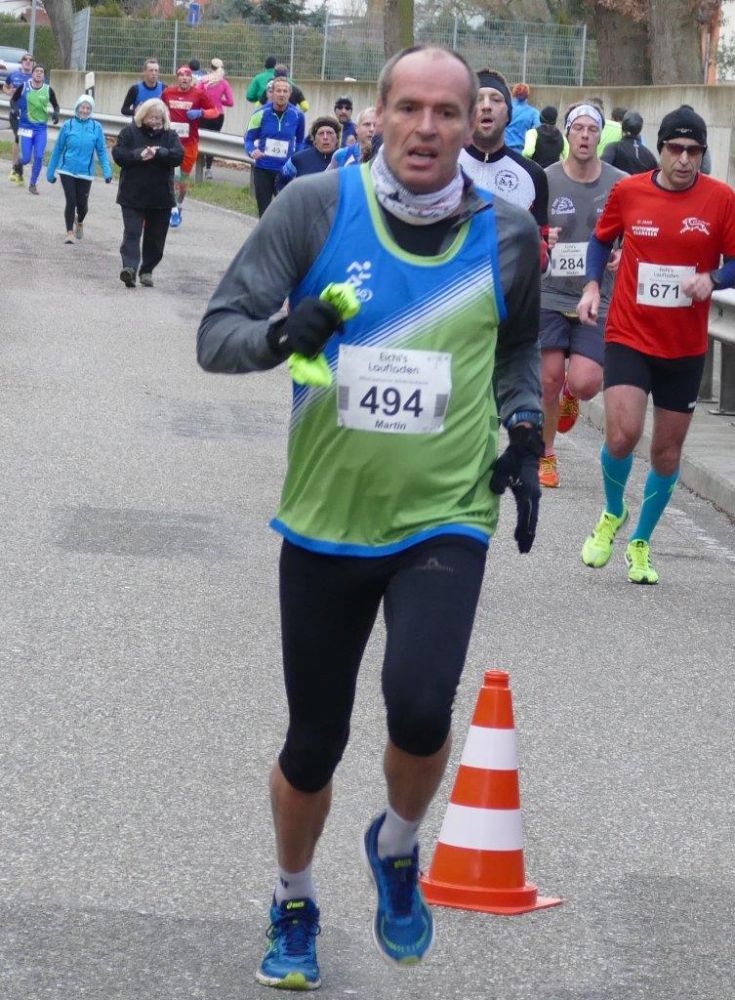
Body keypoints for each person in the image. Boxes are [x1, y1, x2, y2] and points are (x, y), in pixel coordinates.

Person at [197, 44, 543, 991]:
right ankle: (293, 897)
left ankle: (395, 844)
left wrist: (523, 427)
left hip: (445, 515)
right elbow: (217, 336)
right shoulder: (314, 207)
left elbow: (516, 350)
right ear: (377, 115)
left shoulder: (509, 233)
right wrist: (282, 334)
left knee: (422, 705)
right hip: (324, 518)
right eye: (409, 109)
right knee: (314, 743)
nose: (426, 128)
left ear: (476, 124)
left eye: (446, 111)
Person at [577, 105, 735, 584]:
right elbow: (601, 240)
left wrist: (713, 278)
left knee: (667, 453)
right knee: (622, 436)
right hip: (629, 333)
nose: (684, 159)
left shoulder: (721, 199)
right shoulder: (629, 191)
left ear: (702, 154)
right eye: (676, 149)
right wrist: (592, 285)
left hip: (684, 346)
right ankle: (612, 511)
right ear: (660, 149)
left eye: (694, 151)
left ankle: (641, 542)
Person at [538, 102, 626, 489]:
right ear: (567, 134)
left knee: (587, 381)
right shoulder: (545, 179)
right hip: (551, 293)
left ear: (600, 136)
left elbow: (638, 229)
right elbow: (528, 227)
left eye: (592, 129)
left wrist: (625, 252)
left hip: (598, 296)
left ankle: (572, 393)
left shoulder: (621, 183)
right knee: (548, 379)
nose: (585, 135)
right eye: (579, 128)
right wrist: (543, 236)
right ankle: (546, 454)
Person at [458, 69, 549, 235]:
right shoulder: (445, 167)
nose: (486, 106)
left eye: (496, 99)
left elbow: (541, 243)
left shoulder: (534, 175)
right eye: (478, 99)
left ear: (508, 114)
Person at [111, 98, 184, 288]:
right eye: (152, 117)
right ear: (142, 116)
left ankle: (147, 270)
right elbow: (118, 155)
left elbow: (178, 156)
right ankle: (129, 269)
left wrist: (161, 152)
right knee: (132, 233)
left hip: (161, 197)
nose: (155, 121)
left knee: (156, 238)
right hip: (132, 194)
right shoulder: (129, 133)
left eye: (159, 118)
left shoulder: (170, 135)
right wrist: (138, 155)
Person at [46, 94, 113, 244]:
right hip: (67, 170)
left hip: (85, 173)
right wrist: (50, 171)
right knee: (71, 201)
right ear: (77, 108)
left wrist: (107, 171)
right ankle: (69, 232)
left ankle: (80, 221)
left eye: (88, 108)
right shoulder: (68, 125)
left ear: (91, 110)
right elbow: (58, 149)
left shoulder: (96, 127)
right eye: (82, 107)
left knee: (83, 206)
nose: (85, 110)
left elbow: (102, 152)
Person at [161, 65, 217, 227]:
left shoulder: (198, 94)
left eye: (187, 76)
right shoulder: (168, 93)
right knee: (172, 177)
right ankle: (172, 210)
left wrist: (201, 113)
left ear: (191, 79)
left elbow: (214, 111)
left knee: (182, 180)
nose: (184, 78)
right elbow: (158, 108)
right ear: (177, 78)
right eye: (181, 75)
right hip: (171, 142)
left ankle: (179, 205)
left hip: (189, 144)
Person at [245, 77, 304, 217]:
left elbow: (300, 141)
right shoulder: (259, 113)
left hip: (285, 172)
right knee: (264, 213)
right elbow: (248, 138)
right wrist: (252, 150)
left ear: (290, 94)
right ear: (272, 92)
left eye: (285, 91)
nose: (282, 94)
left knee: (285, 214)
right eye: (278, 91)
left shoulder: (298, 115)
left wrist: (296, 160)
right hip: (263, 170)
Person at [11, 63, 60, 195]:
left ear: (44, 76)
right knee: (26, 158)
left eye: (41, 72)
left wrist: (56, 114)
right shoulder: (24, 86)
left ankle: (33, 184)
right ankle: (18, 164)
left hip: (40, 129)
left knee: (38, 156)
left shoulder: (48, 90)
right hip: (26, 127)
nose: (38, 73)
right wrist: (15, 110)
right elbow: (13, 100)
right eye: (36, 71)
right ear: (32, 74)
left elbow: (56, 105)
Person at [197, 57, 234, 180]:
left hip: (204, 113)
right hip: (218, 115)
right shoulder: (224, 83)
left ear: (210, 67)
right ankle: (208, 169)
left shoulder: (203, 81)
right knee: (213, 141)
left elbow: (196, 95)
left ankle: (199, 164)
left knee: (202, 139)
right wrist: (219, 101)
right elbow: (230, 102)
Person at [279, 116, 339, 187]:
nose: (325, 137)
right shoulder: (298, 159)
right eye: (321, 133)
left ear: (337, 138)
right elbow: (281, 180)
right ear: (314, 140)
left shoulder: (345, 158)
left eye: (329, 133)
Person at [4, 51, 33, 184]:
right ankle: (14, 169)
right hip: (15, 113)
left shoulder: (37, 77)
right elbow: (5, 86)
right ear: (21, 63)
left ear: (33, 63)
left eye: (30, 60)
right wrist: (7, 91)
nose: (28, 61)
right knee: (18, 138)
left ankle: (19, 171)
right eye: (25, 59)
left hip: (30, 116)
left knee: (27, 142)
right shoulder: (14, 75)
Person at [601, 110, 658, 175]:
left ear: (622, 127)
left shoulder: (613, 148)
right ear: (640, 129)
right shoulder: (649, 155)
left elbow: (602, 170)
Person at [504, 82, 540, 153]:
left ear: (514, 93)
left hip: (504, 151)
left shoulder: (505, 109)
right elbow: (538, 130)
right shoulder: (534, 113)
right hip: (522, 152)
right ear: (527, 95)